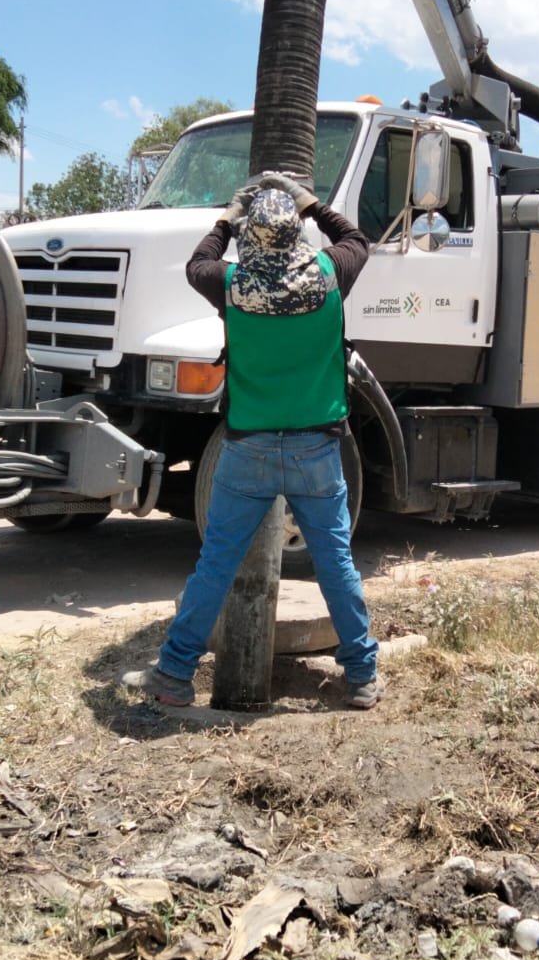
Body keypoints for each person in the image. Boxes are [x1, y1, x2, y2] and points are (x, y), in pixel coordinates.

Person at [123, 172, 384, 709]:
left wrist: (225, 216)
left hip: (247, 450)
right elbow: (357, 239)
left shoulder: (231, 283)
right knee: (335, 562)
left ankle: (174, 673)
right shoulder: (331, 274)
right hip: (317, 448)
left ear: (248, 237)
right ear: (296, 235)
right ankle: (361, 676)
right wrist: (309, 201)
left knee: (216, 561)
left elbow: (198, 263)